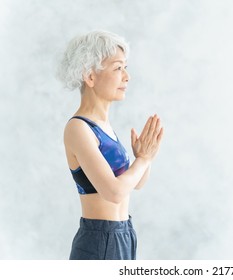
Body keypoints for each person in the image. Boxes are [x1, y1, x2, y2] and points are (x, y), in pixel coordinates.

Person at [57, 30, 164, 260]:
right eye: (118, 68)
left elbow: (136, 184)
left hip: (123, 234)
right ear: (90, 76)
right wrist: (143, 160)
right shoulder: (78, 128)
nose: (127, 77)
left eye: (125, 68)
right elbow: (113, 192)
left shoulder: (104, 126)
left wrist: (144, 158)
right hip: (99, 240)